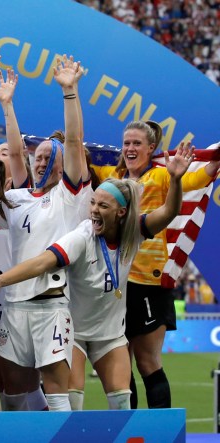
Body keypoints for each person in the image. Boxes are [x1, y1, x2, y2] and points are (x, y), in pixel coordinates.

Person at [0, 144, 193, 410]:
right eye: (93, 203)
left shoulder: (133, 232)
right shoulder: (82, 236)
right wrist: (1, 281)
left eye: (103, 206)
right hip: (73, 332)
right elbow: (42, 262)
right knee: (71, 402)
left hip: (110, 335)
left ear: (121, 213)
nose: (94, 210)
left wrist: (176, 180)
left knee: (122, 404)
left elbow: (169, 212)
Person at [90, 120, 219, 409]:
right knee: (120, 363)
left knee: (148, 362)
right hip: (115, 283)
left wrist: (211, 162)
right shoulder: (113, 176)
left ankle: (161, 433)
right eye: (126, 143)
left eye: (137, 143)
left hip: (148, 281)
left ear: (151, 148)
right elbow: (79, 157)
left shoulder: (162, 176)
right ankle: (129, 431)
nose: (130, 148)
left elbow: (199, 178)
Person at [0, 56, 87, 411]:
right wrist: (6, 105)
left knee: (57, 394)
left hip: (50, 306)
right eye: (38, 157)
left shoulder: (70, 197)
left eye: (48, 157)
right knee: (13, 393)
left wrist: (69, 93)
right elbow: (14, 153)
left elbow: (73, 141)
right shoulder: (16, 198)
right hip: (13, 306)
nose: (40, 162)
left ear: (64, 164)